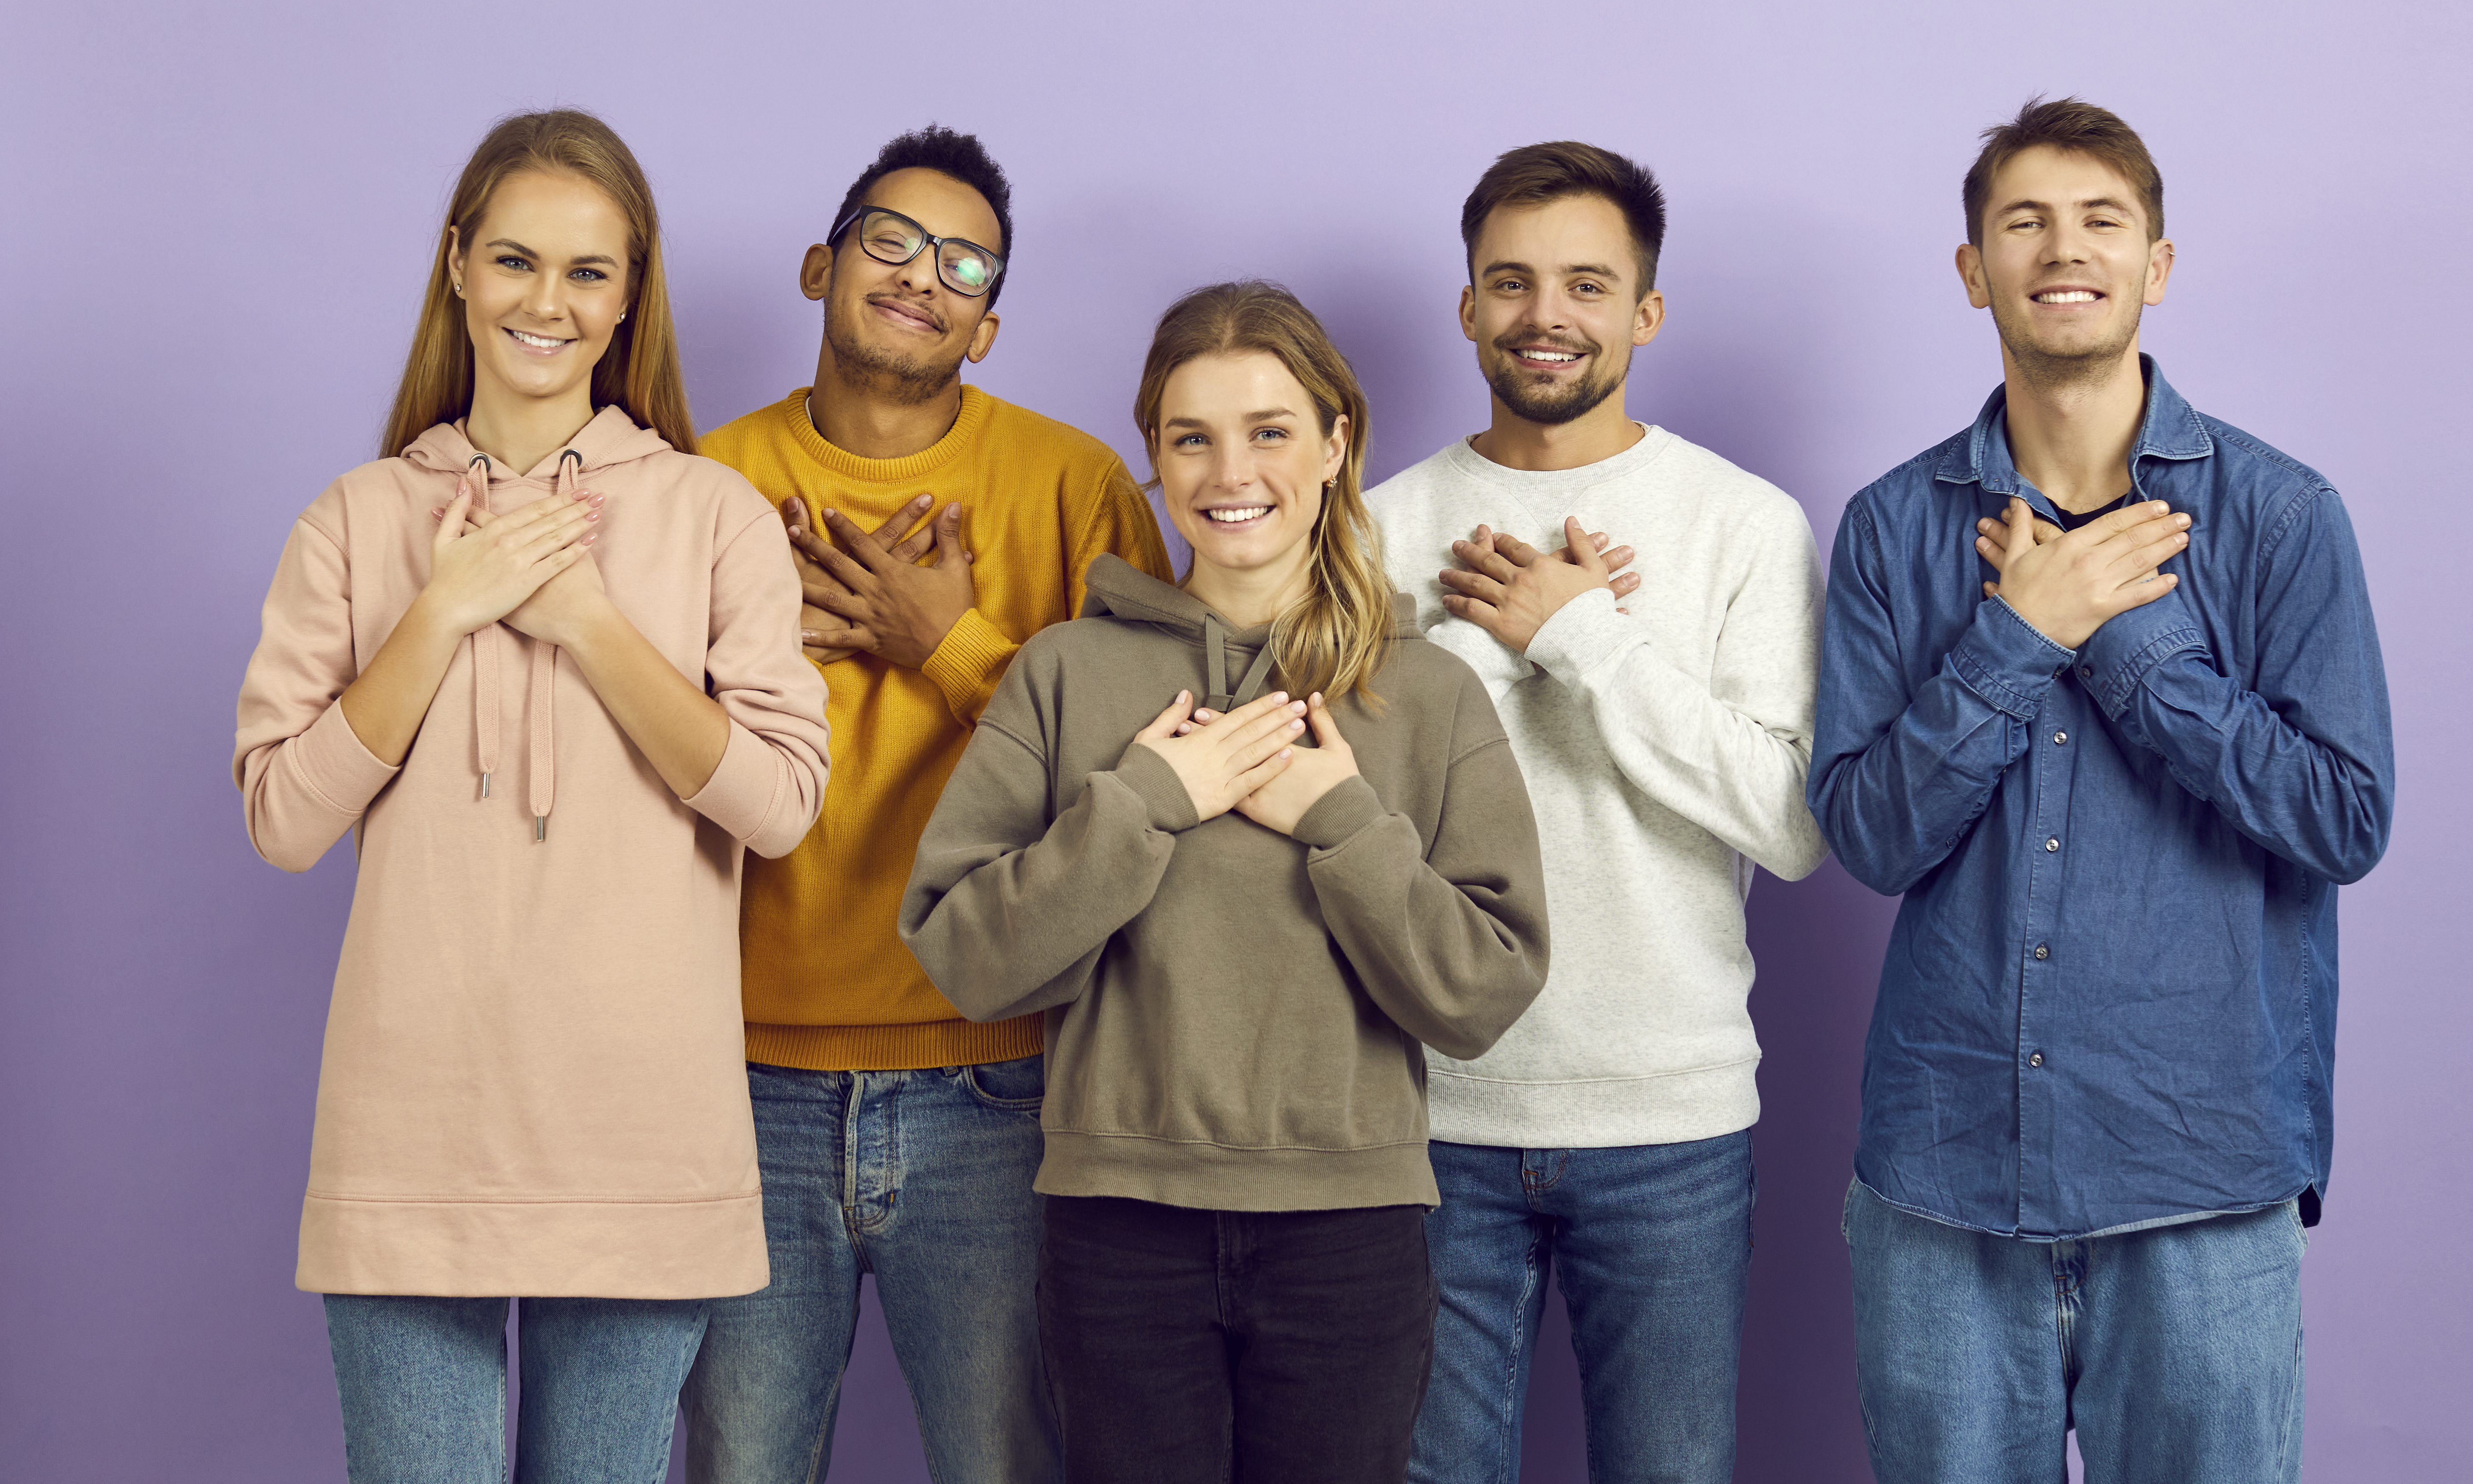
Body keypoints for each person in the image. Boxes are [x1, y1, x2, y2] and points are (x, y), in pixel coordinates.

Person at [233, 110, 831, 1483]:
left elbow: (781, 804)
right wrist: (443, 614)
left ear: (629, 299)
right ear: (457, 266)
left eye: (586, 273)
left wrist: (585, 620)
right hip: (411, 1134)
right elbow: (284, 819)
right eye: (514, 261)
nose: (545, 303)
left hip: (642, 1135)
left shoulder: (712, 516)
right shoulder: (358, 517)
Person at [1807, 98, 2395, 1484]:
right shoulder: (1897, 527)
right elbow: (1871, 836)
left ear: (2158, 264)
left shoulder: (2284, 515)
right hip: (1942, 1188)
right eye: (2023, 223)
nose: (2061, 251)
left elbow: (2343, 817)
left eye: (2099, 222)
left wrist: (2129, 643)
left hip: (2202, 1183)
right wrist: (2018, 635)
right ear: (1974, 270)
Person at [900, 280, 1549, 1484]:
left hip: (1349, 1229)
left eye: (1268, 431)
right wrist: (1149, 802)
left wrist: (1343, 824)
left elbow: (1482, 995)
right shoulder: (1066, 674)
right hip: (1119, 1223)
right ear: (1153, 453)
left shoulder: (1430, 693)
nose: (1227, 469)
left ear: (1335, 443)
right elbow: (967, 956)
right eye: (1190, 437)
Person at [681, 126, 1172, 1484]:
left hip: (1003, 1078)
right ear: (819, 266)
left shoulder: (1077, 489)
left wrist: (943, 644)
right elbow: (633, 759)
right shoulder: (699, 484)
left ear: (992, 323)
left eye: (963, 263)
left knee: (1013, 1461)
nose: (922, 277)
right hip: (743, 1075)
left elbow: (1155, 782)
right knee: (738, 1463)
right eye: (891, 241)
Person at [1363, 142, 1829, 1484]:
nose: (1544, 314)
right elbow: (1330, 805)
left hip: (1669, 1118)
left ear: (1646, 312)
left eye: (1585, 283)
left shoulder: (1741, 524)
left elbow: (1792, 824)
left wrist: (1588, 642)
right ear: (1467, 309)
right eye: (1510, 283)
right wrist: (1490, 653)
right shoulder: (1383, 530)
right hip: (1433, 1112)